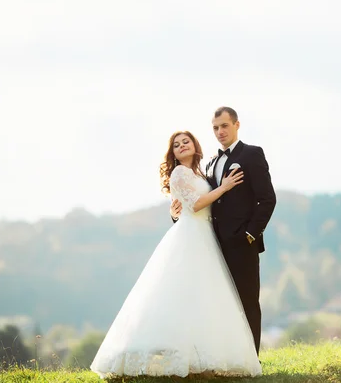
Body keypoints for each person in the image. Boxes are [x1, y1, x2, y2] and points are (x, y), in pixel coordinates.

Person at [90, 131, 262, 378]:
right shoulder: (179, 172)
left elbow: (188, 204)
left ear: (195, 145)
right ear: (172, 153)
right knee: (182, 294)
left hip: (206, 237)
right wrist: (224, 188)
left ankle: (200, 358)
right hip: (190, 237)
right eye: (176, 145)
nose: (182, 146)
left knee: (203, 298)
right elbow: (194, 205)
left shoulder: (200, 172)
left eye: (186, 141)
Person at [171, 106, 276, 355]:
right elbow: (198, 203)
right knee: (222, 304)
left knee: (248, 301)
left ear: (236, 125)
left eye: (224, 126)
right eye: (215, 128)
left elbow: (267, 199)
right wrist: (176, 214)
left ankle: (252, 359)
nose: (220, 132)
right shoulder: (209, 164)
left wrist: (251, 234)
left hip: (242, 244)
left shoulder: (252, 154)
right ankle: (230, 356)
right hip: (212, 246)